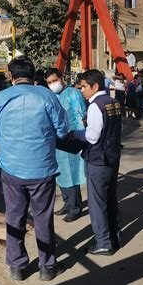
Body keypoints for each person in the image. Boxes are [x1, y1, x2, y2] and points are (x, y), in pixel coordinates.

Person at [0, 57, 69, 281]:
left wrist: (9, 141)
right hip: (42, 168)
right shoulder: (47, 96)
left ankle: (17, 266)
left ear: (12, 77)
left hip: (12, 169)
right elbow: (62, 129)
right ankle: (47, 266)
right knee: (42, 217)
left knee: (15, 217)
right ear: (33, 75)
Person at [73, 69, 122, 256]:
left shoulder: (95, 105)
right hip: (112, 156)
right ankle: (114, 237)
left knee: (96, 203)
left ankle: (103, 242)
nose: (81, 90)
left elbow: (92, 136)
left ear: (95, 86)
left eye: (84, 86)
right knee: (110, 199)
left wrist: (75, 134)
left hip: (98, 159)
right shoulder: (113, 102)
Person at [46, 68, 87, 222]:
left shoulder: (72, 93)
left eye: (54, 81)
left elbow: (81, 114)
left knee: (72, 174)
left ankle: (75, 208)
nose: (52, 84)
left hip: (71, 138)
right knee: (61, 173)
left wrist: (79, 135)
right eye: (49, 82)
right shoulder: (51, 96)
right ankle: (67, 203)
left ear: (61, 78)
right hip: (57, 140)